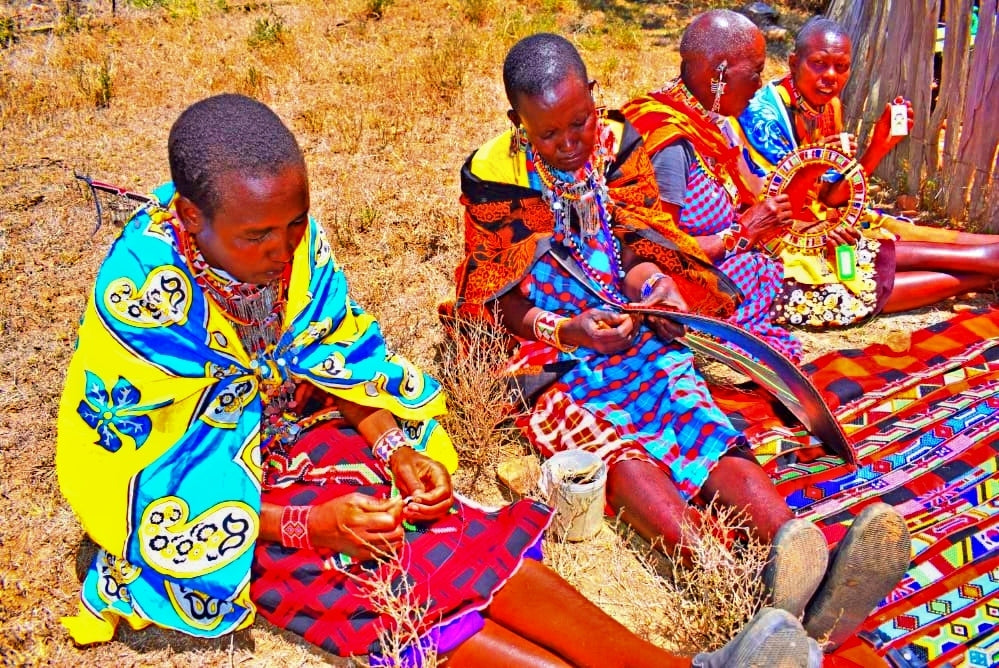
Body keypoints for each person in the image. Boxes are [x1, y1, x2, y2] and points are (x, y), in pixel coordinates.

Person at [55, 93, 821, 667]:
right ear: (190, 218)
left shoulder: (289, 243)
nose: (285, 251)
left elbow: (334, 360)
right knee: (373, 583)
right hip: (219, 497)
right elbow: (138, 477)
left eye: (296, 225)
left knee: (448, 529)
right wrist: (300, 525)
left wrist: (393, 449)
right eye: (257, 236)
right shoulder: (143, 305)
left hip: (306, 440)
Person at [446, 32, 910, 652]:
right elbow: (499, 297)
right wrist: (567, 329)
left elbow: (642, 239)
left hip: (629, 320)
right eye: (549, 134)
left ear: (594, 99)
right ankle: (729, 580)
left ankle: (797, 549)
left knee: (690, 408)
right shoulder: (493, 177)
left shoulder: (617, 144)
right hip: (552, 345)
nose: (569, 144)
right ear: (516, 122)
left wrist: (654, 280)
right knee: (610, 444)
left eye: (579, 123)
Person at [732, 16, 999, 327]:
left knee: (894, 232)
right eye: (818, 64)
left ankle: (987, 260)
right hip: (782, 232)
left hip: (821, 219)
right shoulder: (765, 116)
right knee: (846, 272)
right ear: (794, 63)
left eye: (841, 67)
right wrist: (815, 165)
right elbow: (779, 207)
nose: (830, 76)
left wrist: (879, 146)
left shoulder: (828, 107)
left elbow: (833, 197)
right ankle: (985, 271)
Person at [620, 9, 802, 360]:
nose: (759, 85)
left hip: (736, 269)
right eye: (755, 73)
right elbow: (651, 251)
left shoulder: (706, 122)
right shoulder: (670, 144)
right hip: (696, 288)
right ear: (719, 71)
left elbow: (752, 192)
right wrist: (740, 233)